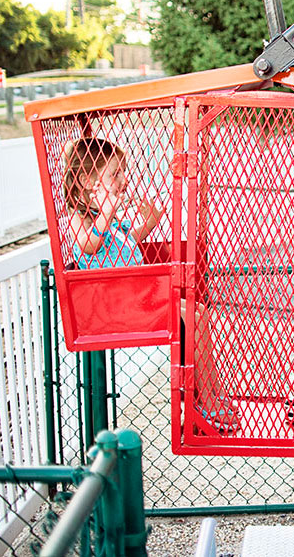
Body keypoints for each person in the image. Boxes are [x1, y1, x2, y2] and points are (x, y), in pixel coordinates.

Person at [63, 137, 239, 432]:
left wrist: (151, 219)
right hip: (115, 306)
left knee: (199, 312)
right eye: (114, 173)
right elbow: (88, 245)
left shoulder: (112, 223)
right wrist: (105, 214)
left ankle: (210, 391)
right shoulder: (81, 219)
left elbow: (132, 239)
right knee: (189, 316)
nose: (123, 179)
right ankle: (206, 401)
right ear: (87, 180)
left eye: (122, 172)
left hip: (136, 299)